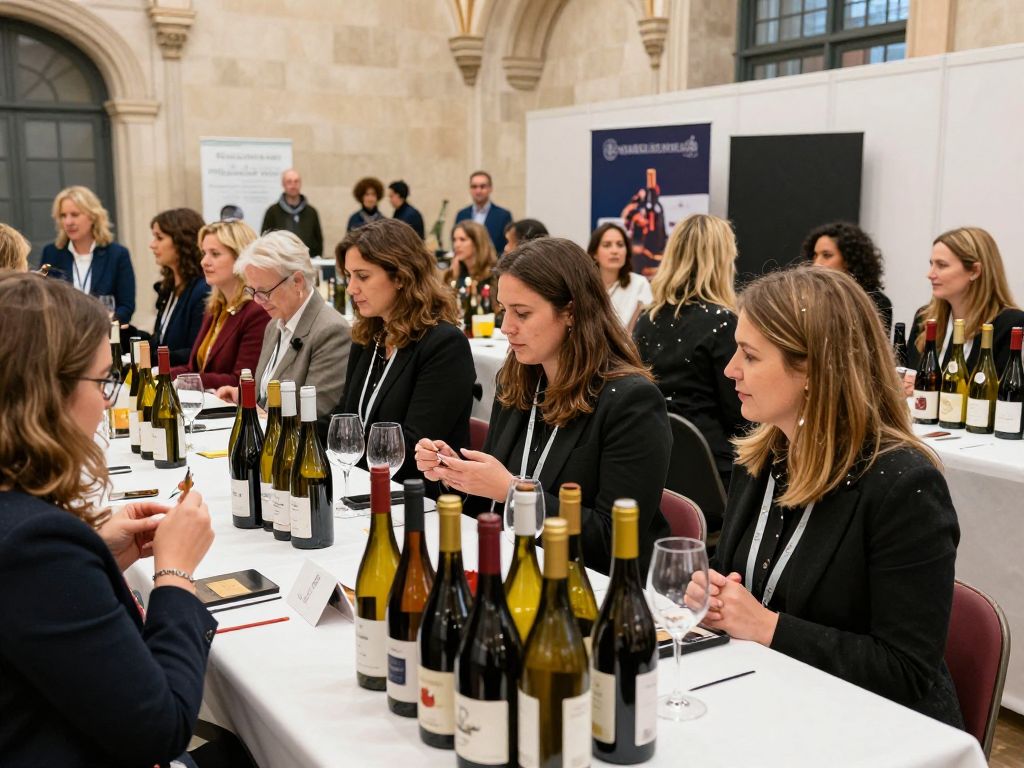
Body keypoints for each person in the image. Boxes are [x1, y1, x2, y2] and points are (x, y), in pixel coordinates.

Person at [685, 265, 963, 728]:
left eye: (750, 356)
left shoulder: (902, 486)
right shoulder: (764, 457)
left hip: (876, 728)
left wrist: (767, 626)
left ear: (813, 369)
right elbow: (739, 575)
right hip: (774, 694)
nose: (730, 369)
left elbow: (905, 671)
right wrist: (712, 593)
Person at [0, 272, 219, 765]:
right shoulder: (34, 544)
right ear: (48, 389)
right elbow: (159, 730)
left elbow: (36, 619)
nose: (107, 400)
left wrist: (96, 557)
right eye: (102, 381)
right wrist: (175, 575)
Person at [415, 237, 672, 576]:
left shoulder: (630, 402)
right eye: (504, 310)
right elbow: (488, 505)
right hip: (514, 566)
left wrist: (513, 492)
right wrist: (456, 475)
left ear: (571, 312)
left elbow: (612, 539)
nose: (506, 327)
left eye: (522, 313)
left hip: (587, 584)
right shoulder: (518, 381)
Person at [332, 219, 474, 487]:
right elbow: (345, 418)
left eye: (362, 276)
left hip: (419, 497)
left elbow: (413, 450)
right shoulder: (369, 337)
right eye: (349, 276)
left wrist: (347, 452)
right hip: (366, 484)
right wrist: (286, 423)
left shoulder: (444, 345)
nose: (351, 288)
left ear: (400, 276)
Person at [633, 214, 745, 491]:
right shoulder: (723, 323)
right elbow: (739, 412)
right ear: (722, 261)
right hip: (712, 470)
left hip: (654, 462)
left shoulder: (647, 320)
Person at [215, 231, 351, 420]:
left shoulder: (331, 331)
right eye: (252, 291)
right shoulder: (273, 326)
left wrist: (259, 415)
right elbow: (268, 397)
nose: (257, 300)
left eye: (265, 291)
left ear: (297, 282)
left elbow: (314, 416)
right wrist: (243, 397)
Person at [907, 226, 1024, 377]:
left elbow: (1008, 389)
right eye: (932, 264)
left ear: (975, 271)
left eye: (941, 265)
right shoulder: (924, 318)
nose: (930, 274)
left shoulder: (1010, 325)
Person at [170, 219, 270, 389]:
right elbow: (193, 369)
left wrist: (183, 381)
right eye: (204, 253)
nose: (204, 262)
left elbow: (241, 381)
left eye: (215, 254)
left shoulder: (257, 311)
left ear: (241, 258)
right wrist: (157, 373)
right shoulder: (215, 308)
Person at [41, 185, 136, 324]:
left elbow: (126, 307)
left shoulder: (117, 254)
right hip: (64, 333)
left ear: (93, 216)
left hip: (102, 332)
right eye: (63, 216)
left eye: (75, 215)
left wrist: (103, 322)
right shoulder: (51, 253)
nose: (68, 222)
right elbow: (44, 301)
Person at [801, 221, 893, 335]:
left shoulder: (876, 302)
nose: (816, 263)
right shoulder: (807, 297)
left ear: (848, 260)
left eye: (827, 255)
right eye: (815, 256)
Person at [150, 208, 210, 367]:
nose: (152, 245)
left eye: (159, 238)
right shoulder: (169, 287)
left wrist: (151, 359)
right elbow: (161, 341)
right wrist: (131, 335)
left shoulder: (203, 290)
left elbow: (195, 352)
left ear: (182, 241)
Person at [588, 222, 652, 331]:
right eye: (607, 245)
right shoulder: (585, 285)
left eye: (620, 245)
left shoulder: (639, 284)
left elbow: (646, 329)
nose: (615, 251)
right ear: (595, 253)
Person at [261, 169, 324, 257]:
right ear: (283, 184)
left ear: (300, 184)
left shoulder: (311, 212)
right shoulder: (272, 212)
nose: (293, 185)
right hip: (280, 261)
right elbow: (265, 240)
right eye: (289, 182)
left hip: (307, 261)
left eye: (296, 181)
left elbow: (318, 240)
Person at [455, 171, 513, 254]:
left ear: (490, 188)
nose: (478, 191)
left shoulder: (503, 216)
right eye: (474, 187)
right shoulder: (461, 215)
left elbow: (508, 246)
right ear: (470, 189)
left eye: (482, 186)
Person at [444, 220, 497, 293]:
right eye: (454, 240)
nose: (456, 245)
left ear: (477, 242)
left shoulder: (494, 274)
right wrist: (453, 277)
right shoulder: (456, 270)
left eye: (462, 239)